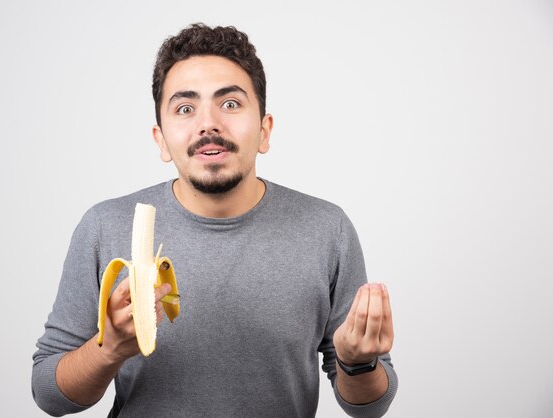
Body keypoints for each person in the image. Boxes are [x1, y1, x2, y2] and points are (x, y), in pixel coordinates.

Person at [32, 23, 398, 418]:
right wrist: (110, 350)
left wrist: (356, 362)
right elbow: (49, 394)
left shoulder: (328, 230)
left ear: (264, 130)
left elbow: (367, 406)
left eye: (230, 104)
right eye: (185, 109)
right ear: (161, 140)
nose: (208, 124)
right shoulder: (104, 226)